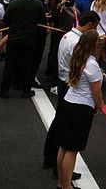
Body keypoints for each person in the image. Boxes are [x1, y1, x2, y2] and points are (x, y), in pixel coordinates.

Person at [42, 11, 99, 179]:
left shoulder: (67, 36)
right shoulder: (77, 42)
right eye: (94, 28)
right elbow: (82, 68)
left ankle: (51, 158)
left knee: (59, 122)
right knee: (68, 133)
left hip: (64, 82)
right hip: (72, 87)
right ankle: (58, 167)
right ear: (89, 26)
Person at [56, 30, 104, 189]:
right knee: (72, 149)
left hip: (68, 101)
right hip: (81, 107)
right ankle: (66, 186)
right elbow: (96, 91)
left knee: (64, 145)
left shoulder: (77, 57)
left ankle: (61, 182)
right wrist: (100, 105)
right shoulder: (91, 63)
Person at [0, 0, 45, 99]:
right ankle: (26, 91)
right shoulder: (38, 4)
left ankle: (4, 90)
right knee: (27, 65)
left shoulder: (14, 3)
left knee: (10, 65)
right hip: (29, 39)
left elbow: (6, 20)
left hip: (14, 37)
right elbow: (42, 22)